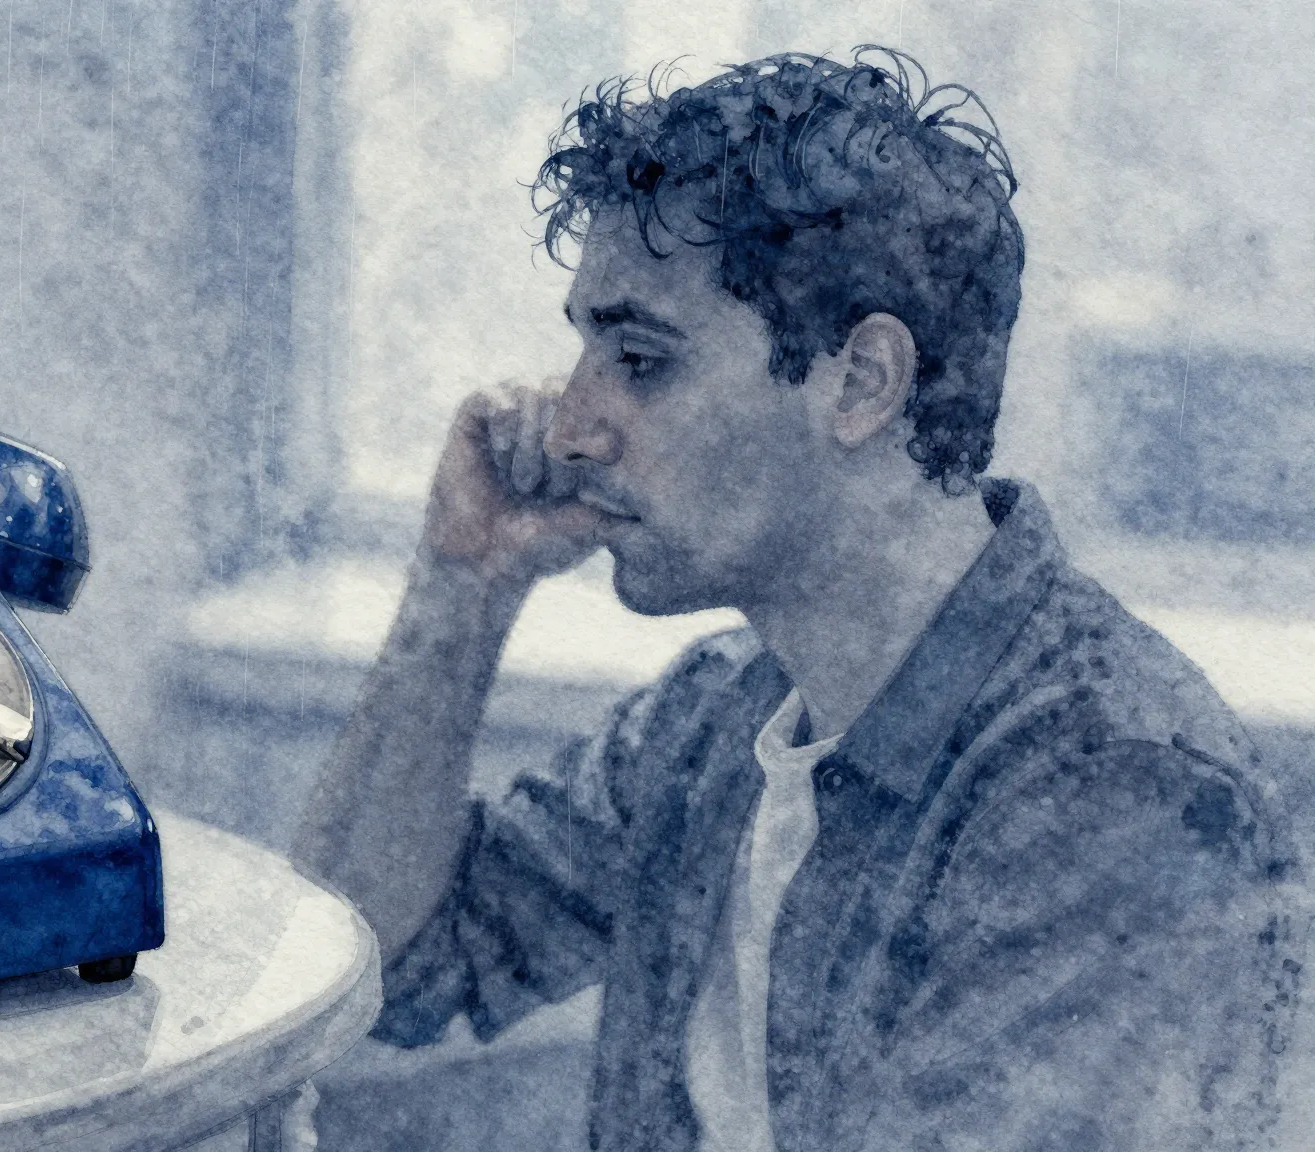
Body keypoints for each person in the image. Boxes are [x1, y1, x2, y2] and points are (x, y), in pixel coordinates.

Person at [294, 49, 1301, 1151]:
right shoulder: (715, 718)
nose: (570, 429)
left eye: (640, 359)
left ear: (861, 382)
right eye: (584, 352)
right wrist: (462, 584)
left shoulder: (1122, 795)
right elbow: (367, 970)